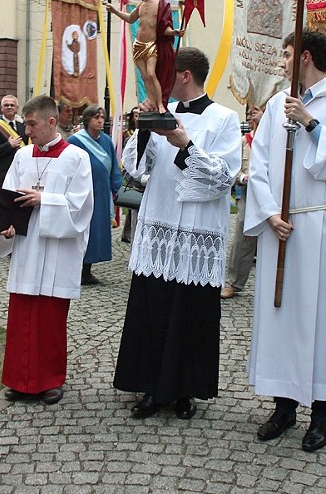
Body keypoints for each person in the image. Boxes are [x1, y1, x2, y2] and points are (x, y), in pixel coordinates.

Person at [244, 30, 326, 452]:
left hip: (318, 227)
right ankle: (283, 405)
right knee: (281, 317)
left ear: (307, 57)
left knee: (318, 319)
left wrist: (311, 125)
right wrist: (269, 212)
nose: (281, 61)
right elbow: (258, 163)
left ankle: (321, 413)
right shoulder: (277, 104)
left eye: (287, 53)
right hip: (281, 226)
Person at [113, 47, 241, 420]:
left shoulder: (225, 119)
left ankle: (184, 389)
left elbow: (223, 177)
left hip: (198, 231)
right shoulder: (160, 113)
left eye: (170, 74)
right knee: (154, 310)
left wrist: (185, 144)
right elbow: (135, 169)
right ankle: (152, 387)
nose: (164, 80)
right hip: (160, 226)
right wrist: (141, 130)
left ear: (185, 75)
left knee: (191, 314)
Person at [0, 95, 94, 405]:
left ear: (51, 122)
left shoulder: (76, 157)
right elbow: (7, 195)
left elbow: (81, 208)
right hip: (27, 247)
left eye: (32, 124)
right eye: (26, 124)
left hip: (55, 250)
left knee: (50, 320)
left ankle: (50, 381)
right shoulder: (22, 157)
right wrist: (6, 224)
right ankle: (19, 380)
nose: (27, 130)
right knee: (22, 317)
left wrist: (45, 201)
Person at [105, 0, 184, 114]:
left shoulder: (160, 4)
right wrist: (115, 11)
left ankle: (160, 104)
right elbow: (130, 19)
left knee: (151, 74)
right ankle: (152, 102)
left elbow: (164, 28)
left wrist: (174, 32)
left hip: (151, 45)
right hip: (138, 45)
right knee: (144, 77)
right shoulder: (140, 5)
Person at [68, 104, 122, 285]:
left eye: (102, 117)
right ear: (87, 119)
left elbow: (113, 167)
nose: (101, 120)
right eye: (96, 117)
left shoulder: (106, 140)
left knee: (97, 232)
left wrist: (118, 191)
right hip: (82, 193)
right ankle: (76, 268)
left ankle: (87, 269)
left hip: (101, 193)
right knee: (82, 230)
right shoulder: (76, 141)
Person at [221, 105, 264, 299]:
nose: (252, 114)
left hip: (275, 195)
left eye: (258, 110)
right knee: (242, 239)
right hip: (250, 194)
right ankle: (233, 282)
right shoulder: (243, 142)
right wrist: (242, 178)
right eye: (250, 112)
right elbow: (232, 169)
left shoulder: (274, 140)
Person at [0, 95, 28, 187]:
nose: (9, 107)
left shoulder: (23, 127)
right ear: (1, 108)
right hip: (2, 175)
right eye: (6, 105)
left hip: (21, 173)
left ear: (17, 108)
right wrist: (8, 145)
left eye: (12, 105)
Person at [120, 106, 140, 244]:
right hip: (137, 187)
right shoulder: (129, 138)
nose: (138, 118)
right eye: (136, 115)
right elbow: (126, 165)